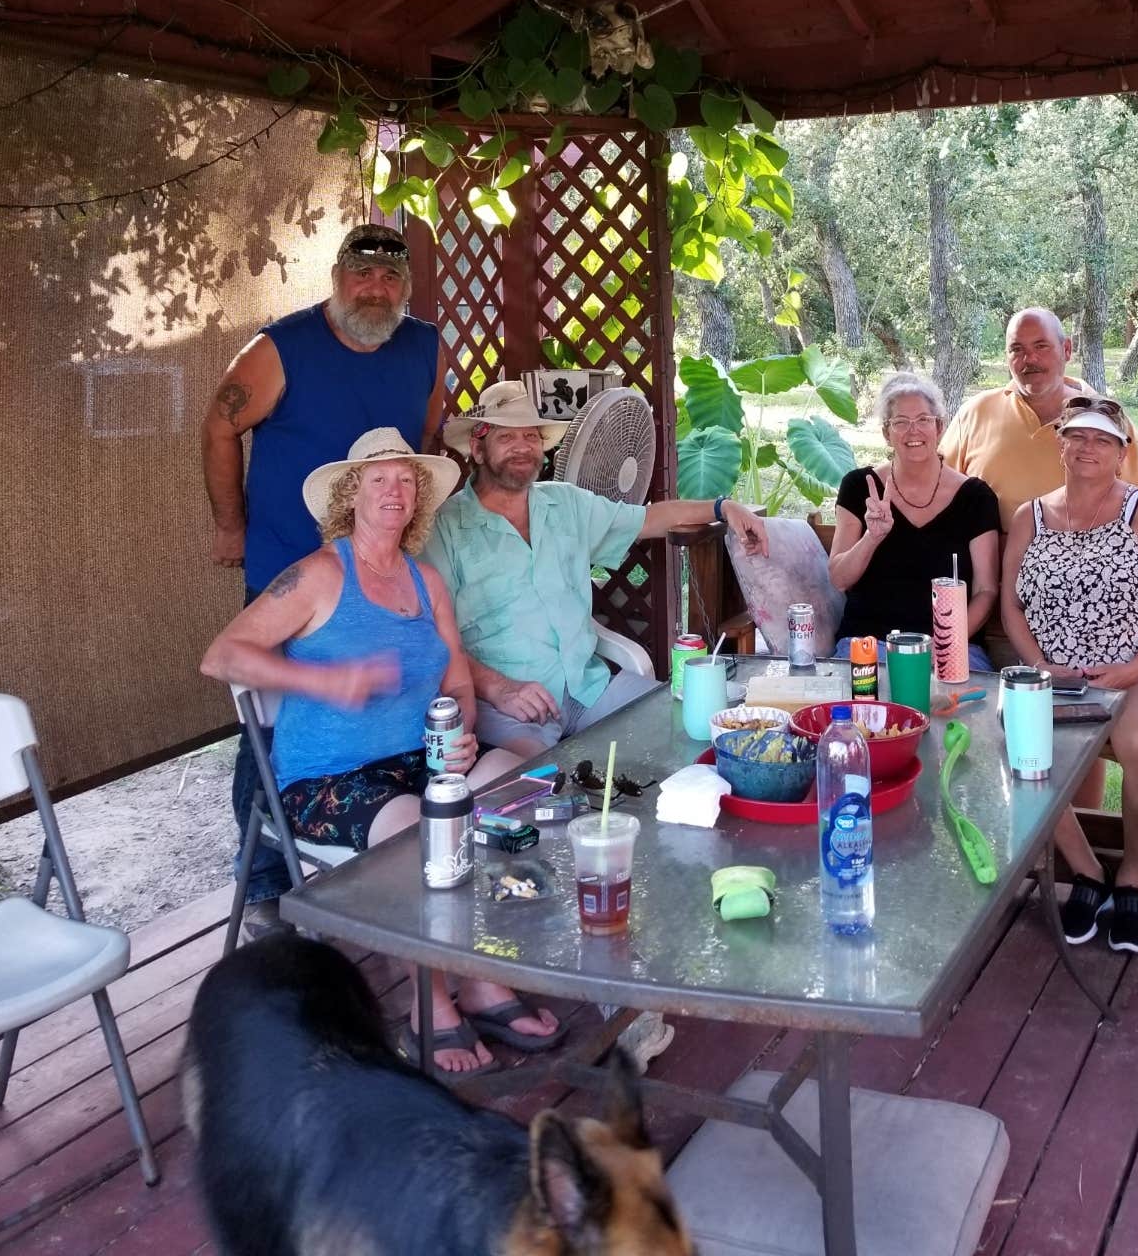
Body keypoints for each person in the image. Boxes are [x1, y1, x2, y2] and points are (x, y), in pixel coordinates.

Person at [200, 429, 561, 1082]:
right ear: (351, 494)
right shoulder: (316, 576)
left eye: (406, 480)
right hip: (325, 782)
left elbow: (454, 677)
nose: (395, 491)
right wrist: (324, 681)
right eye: (378, 480)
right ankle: (430, 1001)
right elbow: (221, 655)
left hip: (414, 763)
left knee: (520, 783)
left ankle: (483, 975)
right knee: (426, 836)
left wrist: (464, 730)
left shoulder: (426, 582)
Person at [201, 223, 446, 927]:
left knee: (385, 702)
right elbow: (219, 428)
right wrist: (229, 523)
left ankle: (375, 855)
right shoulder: (281, 348)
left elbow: (425, 433)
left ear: (406, 287)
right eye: (361, 274)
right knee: (272, 723)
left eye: (390, 276)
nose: (376, 288)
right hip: (289, 561)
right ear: (337, 277)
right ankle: (263, 884)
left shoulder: (425, 345)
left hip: (380, 563)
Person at [425, 381, 768, 759]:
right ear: (477, 446)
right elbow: (433, 638)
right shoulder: (446, 527)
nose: (523, 447)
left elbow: (650, 518)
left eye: (531, 435)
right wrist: (498, 688)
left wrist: (723, 508)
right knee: (529, 785)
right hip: (506, 705)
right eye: (507, 437)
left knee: (687, 730)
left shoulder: (565, 503)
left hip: (587, 687)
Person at [1000, 396, 1138, 957]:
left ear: (1121, 454)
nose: (1088, 447)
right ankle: (1087, 872)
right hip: (1057, 675)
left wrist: (1131, 669)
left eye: (1103, 440)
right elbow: (1012, 606)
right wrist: (1039, 665)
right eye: (1078, 437)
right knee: (1017, 739)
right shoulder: (1030, 517)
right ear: (1060, 445)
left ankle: (1134, 877)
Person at [828, 371, 1001, 672]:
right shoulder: (860, 486)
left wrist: (946, 642)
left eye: (923, 420)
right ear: (886, 433)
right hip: (870, 644)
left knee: (960, 714)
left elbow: (986, 590)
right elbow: (840, 579)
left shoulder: (975, 496)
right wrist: (872, 536)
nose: (913, 431)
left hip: (951, 646)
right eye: (900, 423)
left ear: (939, 426)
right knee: (864, 715)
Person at [939, 307, 1138, 532]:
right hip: (991, 561)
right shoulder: (975, 413)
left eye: (1041, 346)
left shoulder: (1108, 422)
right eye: (1017, 349)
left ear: (1066, 349)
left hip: (1086, 562)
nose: (1029, 358)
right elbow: (938, 491)